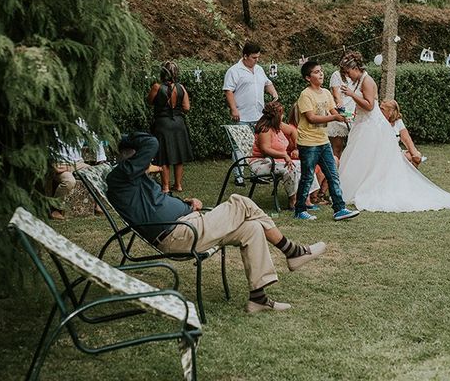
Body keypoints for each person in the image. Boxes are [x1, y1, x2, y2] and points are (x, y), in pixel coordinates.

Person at [106, 132, 327, 313]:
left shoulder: (134, 180)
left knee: (252, 228)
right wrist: (124, 139)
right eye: (145, 160)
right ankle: (293, 251)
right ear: (133, 160)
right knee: (242, 203)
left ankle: (258, 298)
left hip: (189, 224)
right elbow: (151, 141)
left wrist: (186, 204)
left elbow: (154, 206)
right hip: (180, 235)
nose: (151, 163)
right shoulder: (120, 178)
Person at [337, 52, 450, 212]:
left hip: (371, 127)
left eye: (348, 72)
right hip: (363, 124)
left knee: (370, 159)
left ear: (356, 68)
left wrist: (351, 95)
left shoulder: (367, 81)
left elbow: (370, 105)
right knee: (361, 158)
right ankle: (352, 188)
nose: (347, 76)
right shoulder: (359, 80)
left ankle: (367, 189)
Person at [293, 60, 360, 222]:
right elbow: (311, 118)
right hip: (308, 142)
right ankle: (300, 209)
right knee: (308, 177)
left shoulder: (326, 93)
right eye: (316, 72)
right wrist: (335, 117)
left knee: (333, 175)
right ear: (308, 78)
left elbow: (334, 110)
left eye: (321, 71)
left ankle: (339, 209)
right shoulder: (305, 95)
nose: (321, 74)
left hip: (323, 141)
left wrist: (346, 115)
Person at [223, 41, 279, 186]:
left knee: (259, 146)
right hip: (242, 114)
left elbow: (267, 83)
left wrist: (273, 93)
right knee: (239, 147)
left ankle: (257, 173)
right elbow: (228, 91)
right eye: (254, 57)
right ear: (245, 56)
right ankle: (239, 176)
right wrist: (234, 109)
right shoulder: (234, 71)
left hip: (258, 115)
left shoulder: (259, 69)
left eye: (258, 57)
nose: (256, 60)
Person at [250, 101, 319, 209]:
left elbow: (292, 131)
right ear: (276, 116)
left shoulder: (278, 126)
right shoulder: (265, 130)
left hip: (276, 161)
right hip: (262, 162)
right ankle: (293, 199)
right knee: (290, 168)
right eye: (281, 114)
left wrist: (297, 147)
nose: (283, 116)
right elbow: (265, 149)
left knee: (306, 165)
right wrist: (284, 155)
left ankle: (306, 198)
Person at [147, 61, 194, 193]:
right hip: (178, 124)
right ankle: (178, 185)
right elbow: (187, 108)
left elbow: (149, 101)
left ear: (162, 73)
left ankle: (166, 186)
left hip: (162, 124)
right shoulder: (181, 88)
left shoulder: (157, 87)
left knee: (163, 155)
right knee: (179, 155)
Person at [48, 118, 106, 220]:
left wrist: (101, 158)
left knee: (100, 172)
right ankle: (55, 209)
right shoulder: (55, 120)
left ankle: (98, 203)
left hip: (77, 163)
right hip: (60, 163)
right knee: (69, 181)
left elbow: (95, 137)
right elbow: (45, 144)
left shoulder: (81, 121)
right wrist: (52, 164)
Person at [328, 65, 360, 159]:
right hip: (339, 114)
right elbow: (336, 96)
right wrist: (343, 113)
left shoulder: (357, 76)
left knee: (352, 148)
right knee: (337, 147)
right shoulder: (336, 75)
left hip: (354, 114)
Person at [380, 100, 423, 168]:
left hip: (396, 152)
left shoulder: (398, 122)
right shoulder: (379, 121)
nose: (379, 111)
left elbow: (407, 140)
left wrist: (415, 155)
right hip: (382, 153)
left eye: (382, 109)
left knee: (415, 155)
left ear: (390, 112)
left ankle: (407, 177)